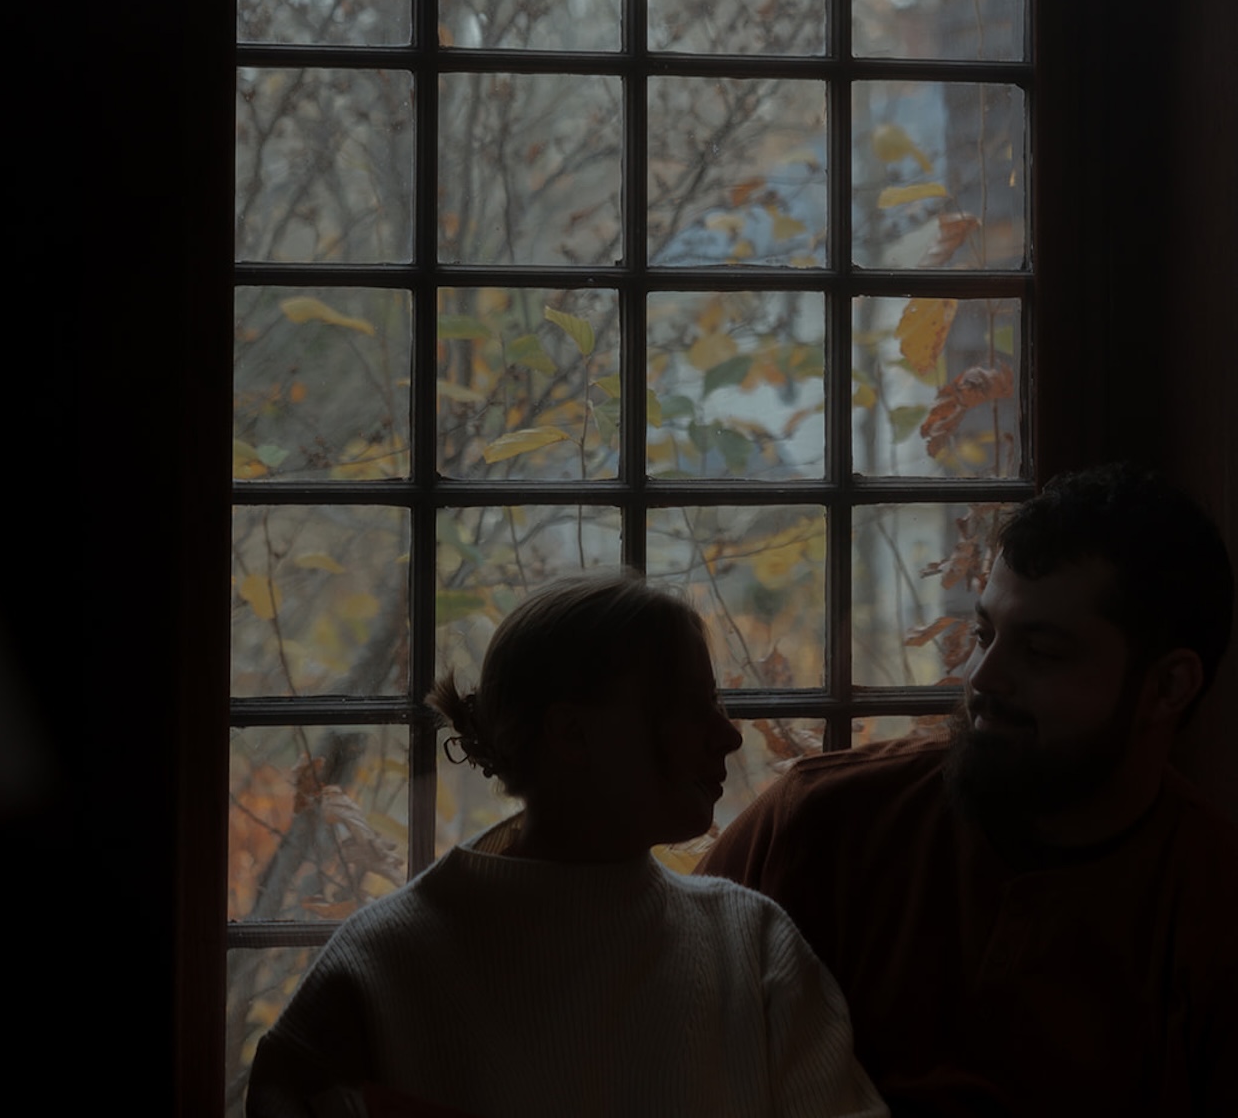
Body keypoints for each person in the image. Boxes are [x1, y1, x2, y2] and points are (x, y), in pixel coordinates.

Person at [699, 465, 1237, 1117]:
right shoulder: (821, 822)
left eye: (1041, 652)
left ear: (1168, 688)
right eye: (984, 634)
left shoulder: (1213, 906)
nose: (983, 678)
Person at [247, 571, 886, 1118]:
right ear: (573, 733)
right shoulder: (380, 968)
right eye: (694, 707)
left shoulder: (753, 942)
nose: (729, 737)